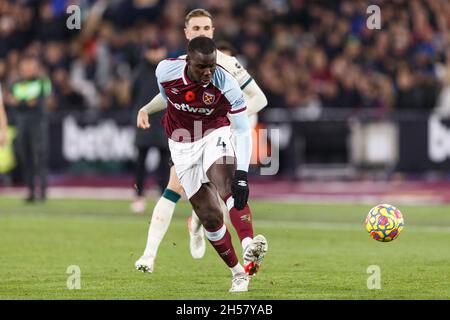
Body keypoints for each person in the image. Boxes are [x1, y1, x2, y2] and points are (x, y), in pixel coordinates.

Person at [134, 8, 268, 275]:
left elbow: (260, 99)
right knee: (184, 195)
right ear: (186, 33)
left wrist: (229, 118)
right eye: (196, 29)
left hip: (217, 133)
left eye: (206, 28)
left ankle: (245, 244)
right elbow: (169, 97)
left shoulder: (227, 65)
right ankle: (182, 235)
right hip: (183, 137)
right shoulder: (170, 68)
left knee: (224, 185)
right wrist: (147, 108)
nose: (202, 33)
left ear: (213, 31)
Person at [130, 40, 171, 213]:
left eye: (158, 50)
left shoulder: (169, 71)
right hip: (145, 122)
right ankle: (139, 195)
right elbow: (133, 95)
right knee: (140, 161)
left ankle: (164, 197)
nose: (155, 54)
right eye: (152, 50)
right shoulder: (140, 71)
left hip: (165, 122)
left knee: (165, 162)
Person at [8, 55, 51, 202]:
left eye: (31, 65)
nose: (28, 68)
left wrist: (20, 102)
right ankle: (31, 191)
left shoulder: (42, 83)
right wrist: (25, 103)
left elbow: (35, 102)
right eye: (25, 65)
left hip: (37, 125)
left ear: (36, 67)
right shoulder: (16, 84)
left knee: (39, 158)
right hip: (22, 126)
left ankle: (43, 192)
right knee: (26, 159)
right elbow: (12, 101)